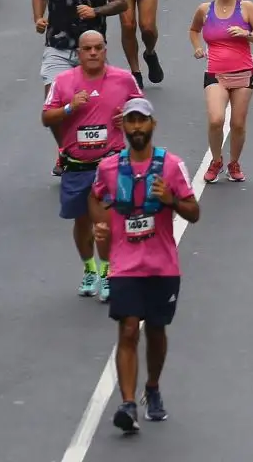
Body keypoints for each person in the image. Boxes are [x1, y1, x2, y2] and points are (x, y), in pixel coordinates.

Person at [90, 96, 199, 433]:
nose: (136, 127)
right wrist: (101, 225)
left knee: (155, 330)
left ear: (152, 125)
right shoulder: (109, 167)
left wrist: (171, 200)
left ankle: (151, 387)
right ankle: (126, 404)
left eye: (142, 121)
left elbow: (193, 212)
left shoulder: (171, 166)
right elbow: (96, 197)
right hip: (124, 265)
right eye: (131, 121)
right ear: (123, 125)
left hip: (162, 265)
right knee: (127, 328)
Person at [42, 30, 139, 299]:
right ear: (80, 52)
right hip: (76, 165)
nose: (93, 53)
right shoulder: (64, 81)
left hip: (109, 163)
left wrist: (128, 120)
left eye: (98, 48)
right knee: (82, 225)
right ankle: (90, 269)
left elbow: (142, 111)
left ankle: (108, 273)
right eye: (88, 49)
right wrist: (70, 108)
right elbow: (47, 117)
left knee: (105, 225)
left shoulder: (123, 79)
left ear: (105, 50)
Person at [188, 0, 253, 184]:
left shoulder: (246, 8)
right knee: (216, 119)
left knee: (238, 124)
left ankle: (234, 163)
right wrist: (197, 47)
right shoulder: (205, 9)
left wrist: (246, 34)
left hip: (243, 73)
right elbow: (193, 30)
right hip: (215, 73)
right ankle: (216, 160)